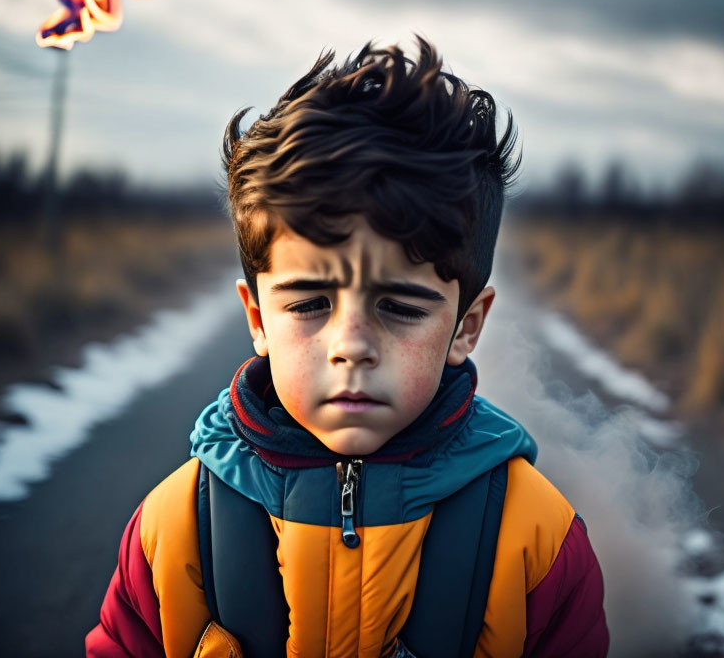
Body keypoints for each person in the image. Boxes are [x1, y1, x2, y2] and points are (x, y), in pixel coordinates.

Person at [85, 35, 609, 658]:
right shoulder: (170, 533)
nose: (351, 346)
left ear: (466, 326)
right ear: (257, 317)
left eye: (400, 307)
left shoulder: (538, 540)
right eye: (309, 303)